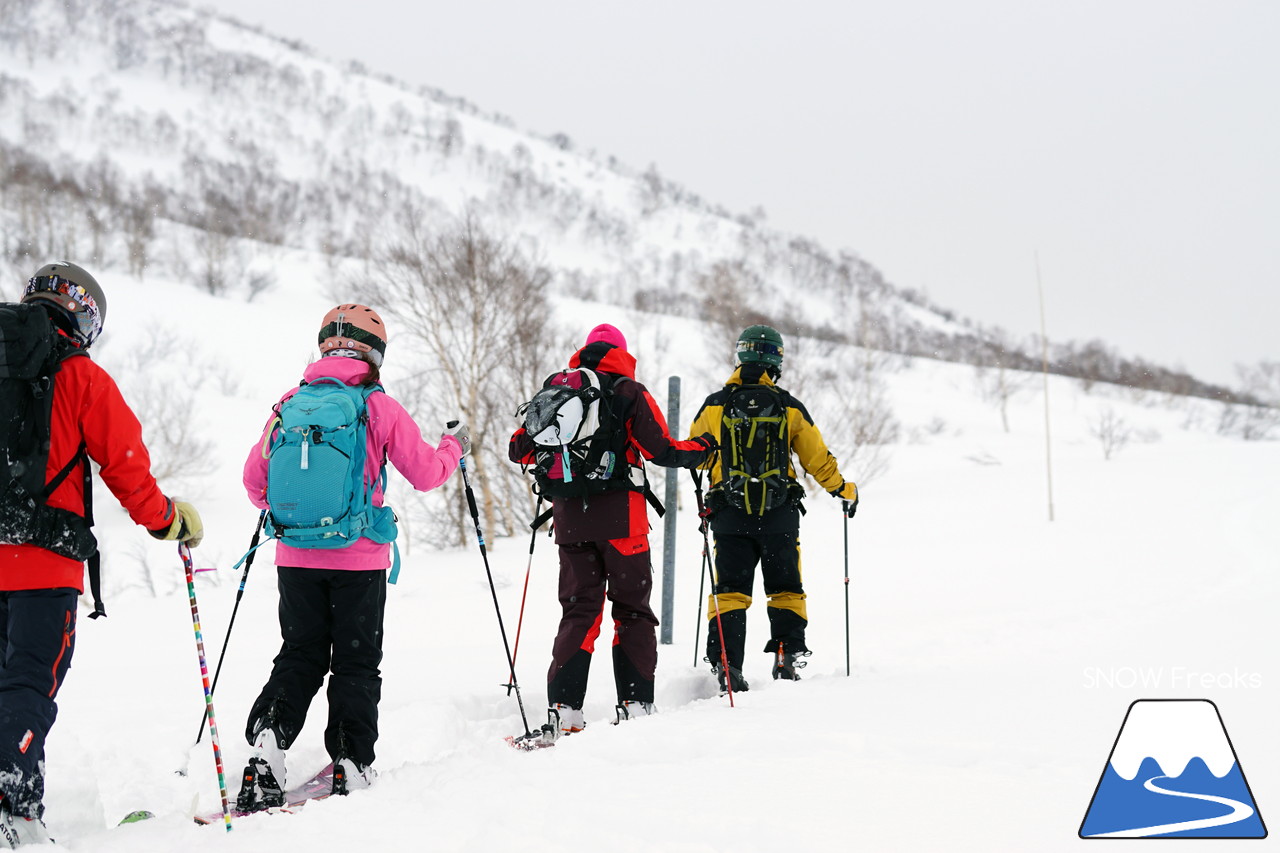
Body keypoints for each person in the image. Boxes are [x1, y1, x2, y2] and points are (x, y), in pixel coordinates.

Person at [0, 262, 203, 846]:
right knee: (27, 685)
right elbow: (125, 466)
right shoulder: (82, 377)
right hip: (46, 564)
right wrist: (168, 521)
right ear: (85, 316)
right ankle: (12, 809)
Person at [237, 303, 466, 810]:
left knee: (299, 656)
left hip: (295, 559)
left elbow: (256, 483)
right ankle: (350, 762)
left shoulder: (288, 404)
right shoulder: (378, 406)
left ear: (323, 347)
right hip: (358, 560)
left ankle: (267, 755)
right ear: (375, 352)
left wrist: (300, 518)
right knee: (356, 664)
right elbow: (428, 474)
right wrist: (455, 446)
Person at [509, 323, 714, 738]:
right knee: (633, 610)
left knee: (579, 611)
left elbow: (519, 448)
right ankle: (636, 704)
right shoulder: (627, 392)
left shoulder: (558, 391)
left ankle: (564, 710)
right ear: (621, 352)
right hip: (623, 523)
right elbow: (663, 451)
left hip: (569, 523)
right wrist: (704, 447)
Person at [688, 324, 858, 692]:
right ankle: (786, 654)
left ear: (741, 355)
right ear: (776, 360)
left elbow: (696, 457)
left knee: (730, 590)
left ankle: (728, 663)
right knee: (785, 588)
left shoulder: (716, 404)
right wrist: (843, 490)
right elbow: (817, 459)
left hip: (729, 515)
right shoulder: (788, 406)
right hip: (779, 513)